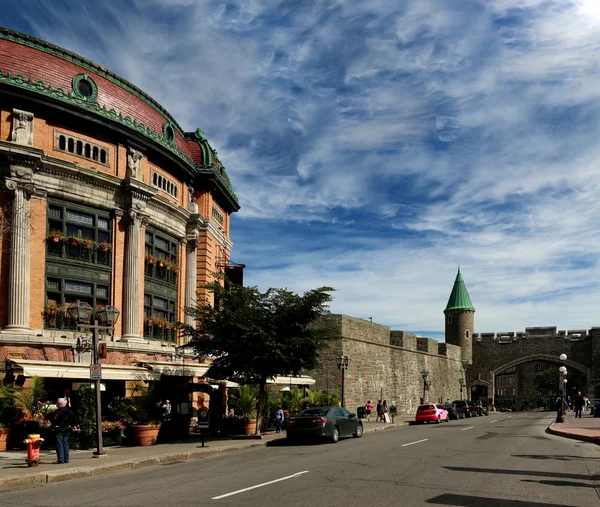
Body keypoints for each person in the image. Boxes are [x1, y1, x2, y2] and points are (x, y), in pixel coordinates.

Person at [51, 398, 74, 464]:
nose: (56, 403)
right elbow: (74, 418)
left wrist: (54, 426)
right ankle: (66, 459)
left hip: (59, 430)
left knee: (59, 444)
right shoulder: (69, 411)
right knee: (65, 444)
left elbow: (54, 420)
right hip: (67, 429)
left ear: (59, 404)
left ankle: (60, 459)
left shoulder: (58, 412)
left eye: (57, 402)